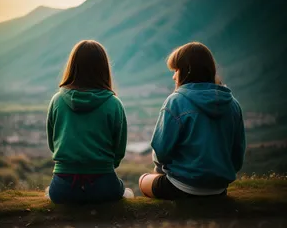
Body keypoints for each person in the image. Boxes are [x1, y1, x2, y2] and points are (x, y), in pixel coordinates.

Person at [139, 42, 246, 200]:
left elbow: (161, 151)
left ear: (186, 71)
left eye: (176, 70)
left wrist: (161, 170)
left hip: (181, 187)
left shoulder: (175, 101)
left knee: (143, 180)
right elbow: (237, 155)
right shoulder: (233, 104)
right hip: (219, 189)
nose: (174, 76)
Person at [46, 40, 134, 204]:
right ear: (103, 68)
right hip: (104, 185)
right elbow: (119, 150)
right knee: (127, 192)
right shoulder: (114, 103)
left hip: (62, 188)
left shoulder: (56, 101)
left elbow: (53, 144)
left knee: (53, 192)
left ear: (72, 66)